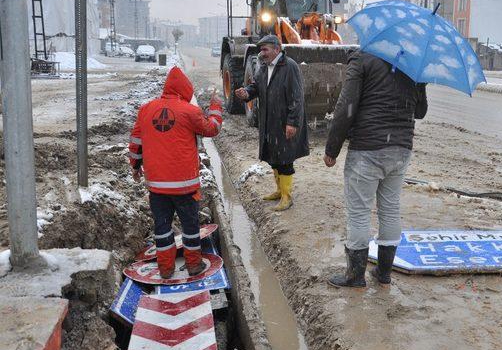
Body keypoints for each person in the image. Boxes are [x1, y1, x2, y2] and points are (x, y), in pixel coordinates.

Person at [324, 49, 428, 288]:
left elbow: (346, 105)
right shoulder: (412, 63)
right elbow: (420, 112)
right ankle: (383, 274)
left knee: (359, 212)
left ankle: (355, 276)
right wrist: (419, 82)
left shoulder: (363, 58)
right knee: (390, 209)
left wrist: (332, 148)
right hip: (401, 149)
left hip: (367, 148)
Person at [128, 66, 223, 279]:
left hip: (157, 186)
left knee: (162, 228)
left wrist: (135, 167)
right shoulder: (190, 111)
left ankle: (166, 269)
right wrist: (216, 106)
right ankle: (194, 266)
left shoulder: (145, 109)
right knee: (190, 227)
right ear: (185, 89)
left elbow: (135, 142)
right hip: (185, 186)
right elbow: (212, 128)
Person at [234, 35, 309, 211]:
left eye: (265, 49)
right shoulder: (263, 67)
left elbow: (296, 97)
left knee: (285, 160)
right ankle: (279, 190)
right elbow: (256, 86)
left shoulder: (289, 66)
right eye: (261, 50)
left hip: (284, 121)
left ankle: (287, 197)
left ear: (277, 48)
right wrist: (246, 93)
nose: (262, 53)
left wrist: (292, 123)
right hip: (269, 121)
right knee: (274, 158)